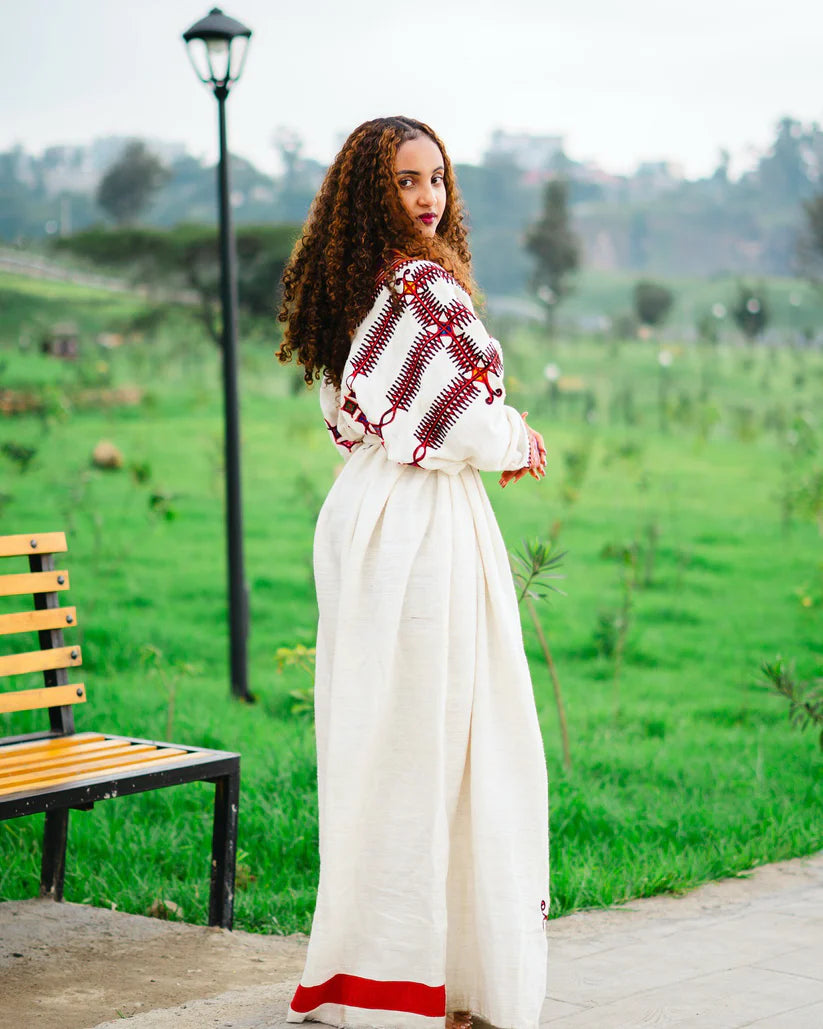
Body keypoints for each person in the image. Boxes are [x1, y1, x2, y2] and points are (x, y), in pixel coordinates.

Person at [276, 116, 549, 1029]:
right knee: (444, 743)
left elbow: (352, 409)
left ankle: (380, 972)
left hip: (364, 514)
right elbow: (467, 427)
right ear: (371, 193)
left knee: (380, 741)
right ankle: (439, 983)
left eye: (435, 177)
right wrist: (518, 436)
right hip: (424, 527)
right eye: (403, 180)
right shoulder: (421, 288)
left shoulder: (351, 290)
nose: (427, 196)